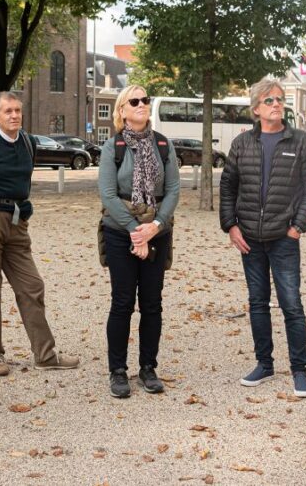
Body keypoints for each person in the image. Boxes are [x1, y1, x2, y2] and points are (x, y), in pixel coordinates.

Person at [219, 79, 306, 397]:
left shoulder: (301, 142)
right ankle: (264, 363)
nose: (276, 104)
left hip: (284, 238)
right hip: (250, 238)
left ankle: (299, 370)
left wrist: (298, 227)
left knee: (291, 304)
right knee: (257, 303)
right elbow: (228, 186)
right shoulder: (242, 144)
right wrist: (230, 226)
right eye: (269, 100)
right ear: (256, 109)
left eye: (280, 99)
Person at [0, 91, 79, 378]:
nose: (14, 115)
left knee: (32, 285)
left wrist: (26, 209)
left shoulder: (28, 143)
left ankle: (45, 354)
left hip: (18, 223)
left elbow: (24, 181)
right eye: (8, 111)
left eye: (17, 110)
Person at [97, 85, 180, 398]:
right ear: (122, 110)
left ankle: (148, 367)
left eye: (146, 99)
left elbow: (173, 190)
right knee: (122, 302)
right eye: (135, 100)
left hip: (157, 232)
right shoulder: (112, 147)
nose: (142, 104)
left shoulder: (163, 144)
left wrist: (154, 227)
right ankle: (117, 371)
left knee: (152, 303)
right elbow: (107, 194)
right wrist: (135, 229)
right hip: (120, 232)